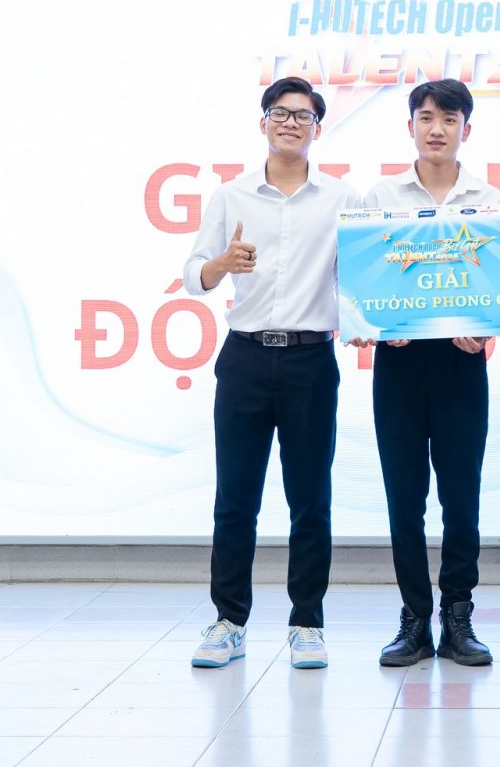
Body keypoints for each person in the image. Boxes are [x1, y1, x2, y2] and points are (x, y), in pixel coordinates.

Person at [182, 76, 361, 670]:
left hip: (311, 359)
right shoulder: (230, 196)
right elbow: (194, 276)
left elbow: (364, 277)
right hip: (245, 358)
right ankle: (229, 622)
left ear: (317, 129)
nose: (290, 123)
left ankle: (307, 622)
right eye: (280, 113)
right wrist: (221, 263)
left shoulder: (342, 199)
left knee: (311, 499)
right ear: (263, 123)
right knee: (235, 498)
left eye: (302, 115)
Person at [358, 79, 500, 668]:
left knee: (461, 496)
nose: (437, 128)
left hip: (461, 362)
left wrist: (488, 327)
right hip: (398, 362)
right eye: (426, 117)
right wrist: (374, 321)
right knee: (404, 497)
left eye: (449, 119)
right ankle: (414, 619)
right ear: (411, 126)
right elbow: (361, 276)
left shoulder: (489, 200)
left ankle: (458, 617)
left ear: (466, 129)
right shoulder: (380, 196)